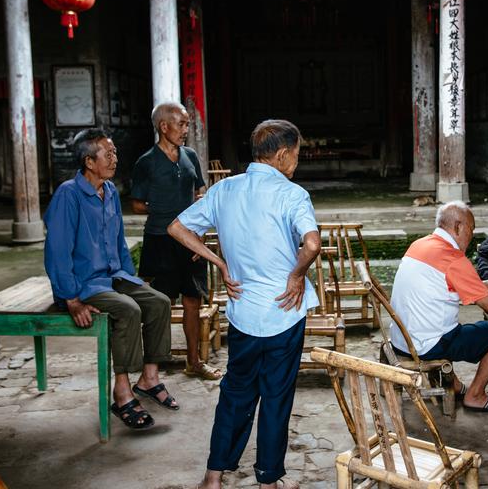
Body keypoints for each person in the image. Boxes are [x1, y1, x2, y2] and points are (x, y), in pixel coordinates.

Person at [168, 119, 319, 489]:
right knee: (276, 398)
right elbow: (312, 244)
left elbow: (177, 227)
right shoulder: (292, 194)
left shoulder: (225, 190)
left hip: (243, 311)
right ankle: (267, 481)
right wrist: (297, 274)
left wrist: (217, 261)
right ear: (282, 155)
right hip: (284, 312)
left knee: (236, 392)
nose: (296, 164)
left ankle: (213, 476)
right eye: (296, 157)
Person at [44, 129, 175, 431]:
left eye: (115, 152)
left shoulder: (110, 191)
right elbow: (58, 252)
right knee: (128, 310)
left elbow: (118, 243)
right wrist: (71, 299)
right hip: (82, 285)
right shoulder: (69, 195)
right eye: (108, 153)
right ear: (89, 161)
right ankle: (122, 392)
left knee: (158, 302)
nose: (115, 159)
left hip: (113, 276)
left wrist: (131, 278)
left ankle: (149, 378)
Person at [389, 201, 488, 413]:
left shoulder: (420, 245)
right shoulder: (454, 258)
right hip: (427, 344)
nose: (472, 235)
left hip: (402, 338)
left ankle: (455, 384)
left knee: (454, 322)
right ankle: (476, 395)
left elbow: (443, 286)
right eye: (471, 228)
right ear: (458, 227)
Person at [131, 102, 221, 380]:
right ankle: (152, 368)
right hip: (159, 239)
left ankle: (193, 361)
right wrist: (165, 211)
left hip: (190, 240)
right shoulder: (146, 162)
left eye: (187, 124)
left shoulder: (190, 156)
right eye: (181, 124)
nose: (186, 130)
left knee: (193, 300)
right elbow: (136, 204)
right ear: (164, 126)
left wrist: (199, 233)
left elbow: (201, 196)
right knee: (160, 302)